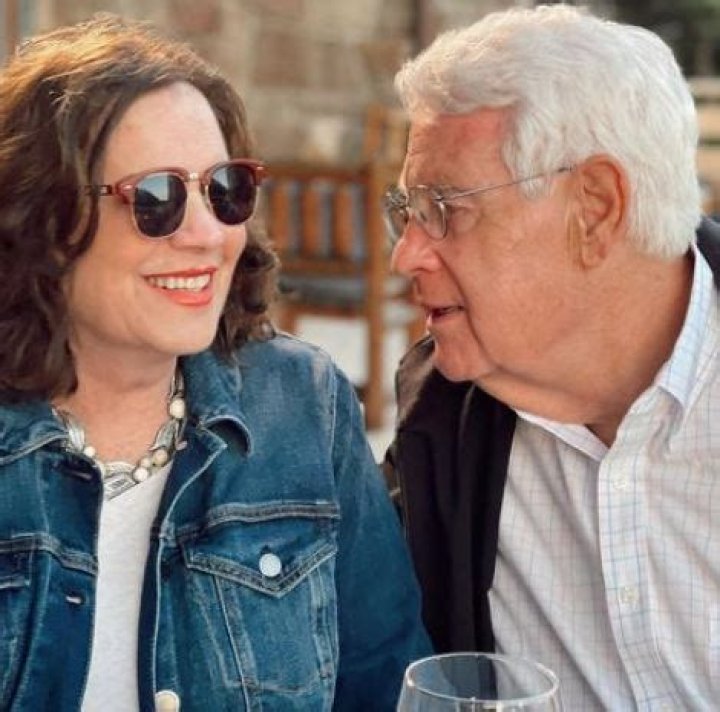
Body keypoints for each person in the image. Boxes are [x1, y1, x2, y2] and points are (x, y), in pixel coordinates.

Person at [0, 14, 429, 711]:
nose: (208, 234)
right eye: (156, 198)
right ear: (41, 221)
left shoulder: (302, 402)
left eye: (226, 190)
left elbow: (386, 684)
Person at [382, 4, 719, 709]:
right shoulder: (442, 421)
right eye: (407, 212)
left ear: (594, 208)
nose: (405, 254)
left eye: (446, 208)